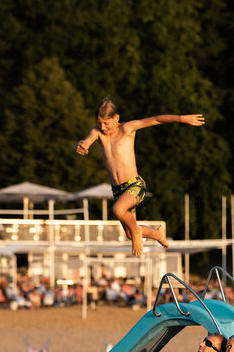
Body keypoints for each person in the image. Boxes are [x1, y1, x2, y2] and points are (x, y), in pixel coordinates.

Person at [75, 98, 205, 256]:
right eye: (100, 123)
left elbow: (156, 119)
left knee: (118, 210)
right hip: (118, 191)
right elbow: (87, 141)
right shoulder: (98, 132)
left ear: (116, 118)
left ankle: (137, 231)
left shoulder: (127, 129)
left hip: (134, 186)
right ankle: (157, 234)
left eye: (106, 123)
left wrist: (181, 118)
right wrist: (81, 145)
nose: (103, 127)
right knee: (129, 234)